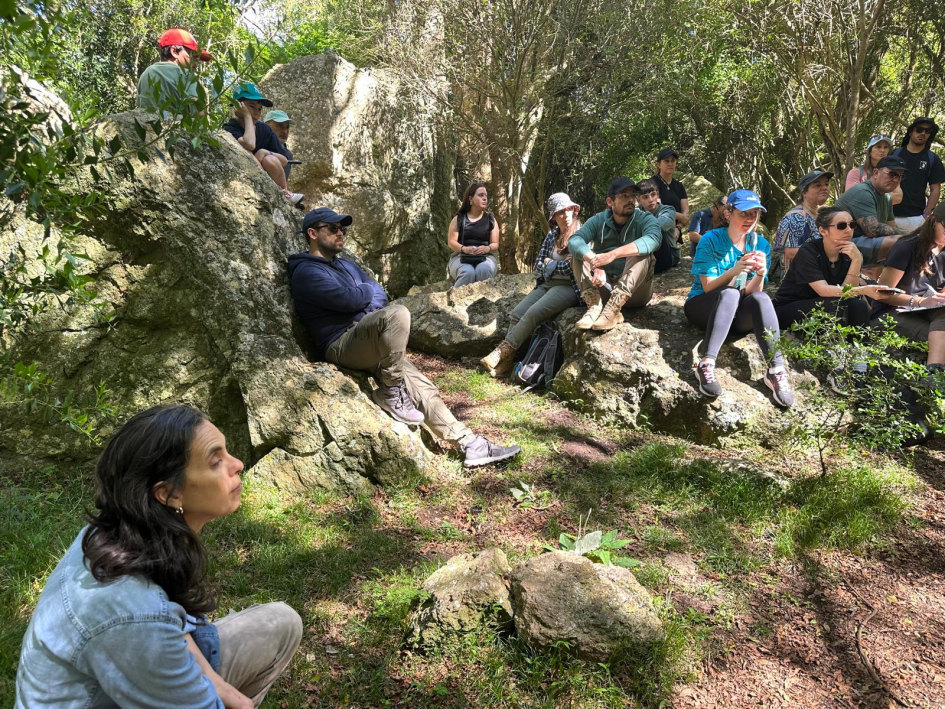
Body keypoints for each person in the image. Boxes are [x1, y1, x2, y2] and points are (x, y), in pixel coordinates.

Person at [15, 405, 302, 709]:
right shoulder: (136, 615)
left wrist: (224, 691)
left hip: (130, 668)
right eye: (216, 461)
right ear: (168, 494)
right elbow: (147, 623)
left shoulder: (119, 532)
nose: (238, 464)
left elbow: (170, 625)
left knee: (281, 623)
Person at [289, 207, 521, 467]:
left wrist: (363, 296)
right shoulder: (306, 272)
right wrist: (364, 295)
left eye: (342, 228)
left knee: (424, 389)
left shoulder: (344, 265)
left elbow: (378, 294)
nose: (340, 233)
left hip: (369, 339)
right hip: (341, 344)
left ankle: (468, 443)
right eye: (332, 228)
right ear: (312, 233)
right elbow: (349, 299)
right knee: (397, 314)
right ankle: (390, 390)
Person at [684, 189, 794, 406]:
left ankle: (776, 370)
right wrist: (735, 270)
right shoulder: (711, 240)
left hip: (735, 314)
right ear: (729, 214)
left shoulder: (760, 244)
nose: (750, 219)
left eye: (754, 214)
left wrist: (761, 273)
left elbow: (752, 292)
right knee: (730, 292)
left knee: (762, 299)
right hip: (703, 307)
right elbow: (708, 287)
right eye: (744, 213)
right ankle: (706, 364)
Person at [480, 193, 582, 377]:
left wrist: (551, 263)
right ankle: (506, 365)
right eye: (560, 212)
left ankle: (500, 352)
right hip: (547, 284)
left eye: (569, 209)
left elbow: (571, 268)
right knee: (517, 314)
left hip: (569, 288)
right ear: (554, 217)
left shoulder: (581, 232)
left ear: (574, 210)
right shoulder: (553, 234)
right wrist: (551, 265)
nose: (566, 214)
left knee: (533, 313)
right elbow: (538, 267)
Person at [567, 177, 662, 332]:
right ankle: (594, 307)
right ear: (610, 202)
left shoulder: (644, 218)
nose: (630, 200)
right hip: (604, 288)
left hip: (635, 293)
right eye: (624, 196)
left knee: (642, 253)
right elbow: (574, 240)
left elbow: (654, 239)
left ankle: (614, 309)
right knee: (578, 254)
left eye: (633, 196)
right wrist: (594, 261)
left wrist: (612, 254)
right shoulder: (599, 220)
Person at [871, 201, 945, 367]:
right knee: (939, 343)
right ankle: (933, 378)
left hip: (928, 311)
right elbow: (882, 293)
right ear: (934, 221)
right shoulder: (906, 248)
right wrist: (919, 301)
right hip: (890, 314)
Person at [222, 82, 302, 205]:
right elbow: (249, 144)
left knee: (270, 159)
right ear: (238, 107)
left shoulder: (264, 130)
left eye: (259, 109)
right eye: (251, 106)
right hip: (247, 178)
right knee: (247, 152)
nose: (256, 112)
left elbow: (285, 160)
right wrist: (248, 118)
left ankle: (285, 193)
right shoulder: (230, 128)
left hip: (271, 181)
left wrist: (265, 152)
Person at [833, 155, 908, 267]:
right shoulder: (863, 192)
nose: (896, 179)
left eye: (900, 176)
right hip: (840, 246)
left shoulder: (886, 197)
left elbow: (892, 226)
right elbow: (872, 229)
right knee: (899, 241)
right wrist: (909, 235)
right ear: (876, 173)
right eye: (892, 174)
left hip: (858, 244)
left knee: (906, 242)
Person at [136, 28, 211, 115]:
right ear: (174, 51)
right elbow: (199, 114)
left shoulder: (147, 73)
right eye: (193, 55)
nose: (197, 60)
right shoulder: (187, 75)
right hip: (175, 126)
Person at [772, 170, 832, 278]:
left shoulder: (824, 215)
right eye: (817, 185)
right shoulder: (795, 217)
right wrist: (830, 253)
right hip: (800, 283)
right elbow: (791, 253)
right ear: (804, 192)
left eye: (826, 184)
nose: (824, 188)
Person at [892, 117, 945, 232]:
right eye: (919, 129)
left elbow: (935, 189)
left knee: (914, 250)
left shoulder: (932, 159)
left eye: (927, 131)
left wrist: (926, 215)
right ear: (911, 131)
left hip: (916, 219)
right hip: (889, 215)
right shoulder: (895, 154)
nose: (923, 133)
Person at [447, 183, 499, 287]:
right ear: (470, 198)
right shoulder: (459, 218)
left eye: (486, 195)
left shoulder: (490, 219)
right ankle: (457, 301)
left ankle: (487, 301)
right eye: (480, 195)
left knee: (483, 269)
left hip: (485, 257)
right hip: (460, 256)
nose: (484, 198)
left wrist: (487, 248)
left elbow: (495, 244)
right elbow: (451, 242)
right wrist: (463, 249)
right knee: (467, 272)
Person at [636, 178, 680, 273]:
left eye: (653, 195)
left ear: (657, 195)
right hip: (648, 254)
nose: (651, 200)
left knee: (656, 232)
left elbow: (656, 227)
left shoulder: (668, 211)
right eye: (645, 197)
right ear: (638, 200)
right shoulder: (636, 213)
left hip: (668, 256)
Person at [652, 148, 689, 234]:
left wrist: (678, 228)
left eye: (673, 161)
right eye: (666, 161)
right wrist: (680, 216)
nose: (670, 164)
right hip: (656, 231)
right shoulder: (651, 184)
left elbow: (686, 212)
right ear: (658, 164)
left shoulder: (679, 186)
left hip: (674, 233)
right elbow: (658, 209)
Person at [264, 110, 294, 180]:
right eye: (279, 126)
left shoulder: (288, 154)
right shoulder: (257, 146)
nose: (285, 132)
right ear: (266, 126)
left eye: (287, 127)